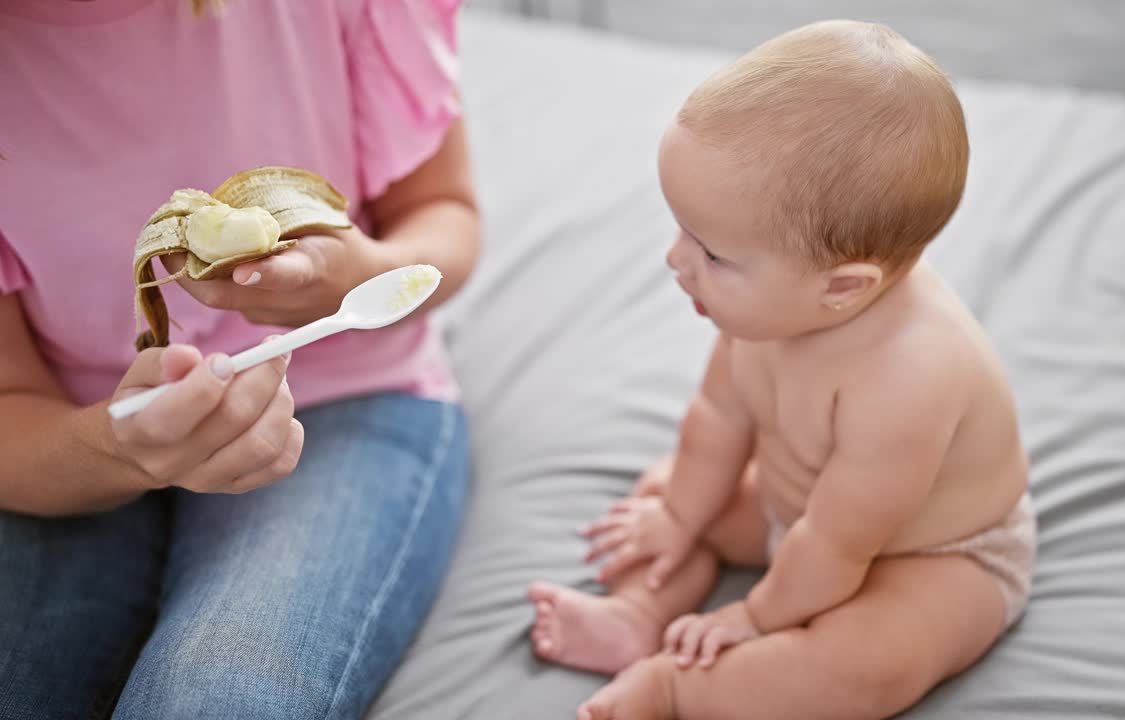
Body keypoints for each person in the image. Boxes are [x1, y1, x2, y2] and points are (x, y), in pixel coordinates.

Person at [526, 20, 1036, 720]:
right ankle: (638, 614)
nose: (677, 262)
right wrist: (679, 516)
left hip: (929, 554)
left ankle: (678, 690)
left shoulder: (911, 377)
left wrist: (757, 618)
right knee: (671, 490)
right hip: (794, 508)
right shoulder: (771, 306)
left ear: (843, 287)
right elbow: (718, 420)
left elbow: (839, 541)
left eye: (712, 254)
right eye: (682, 232)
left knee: (873, 664)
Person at [0, 0, 477, 717]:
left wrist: (356, 275)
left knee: (213, 697)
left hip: (346, 401)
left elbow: (446, 214)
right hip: (68, 439)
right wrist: (121, 449)